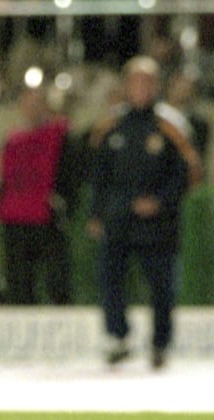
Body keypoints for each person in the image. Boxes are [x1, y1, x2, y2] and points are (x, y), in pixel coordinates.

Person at [87, 56, 200, 370]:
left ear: (156, 86)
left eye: (147, 82)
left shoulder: (171, 125)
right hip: (118, 219)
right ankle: (118, 337)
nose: (141, 88)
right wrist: (97, 213)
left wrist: (160, 201)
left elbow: (188, 174)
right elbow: (98, 174)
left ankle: (160, 343)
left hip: (158, 223)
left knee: (162, 285)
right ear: (126, 86)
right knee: (110, 279)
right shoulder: (110, 125)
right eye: (136, 82)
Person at [0, 85, 81, 305]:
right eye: (28, 104)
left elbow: (71, 174)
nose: (32, 109)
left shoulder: (59, 135)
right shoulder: (12, 139)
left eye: (37, 104)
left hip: (47, 217)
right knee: (20, 283)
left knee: (57, 281)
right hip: (15, 218)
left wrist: (64, 203)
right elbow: (5, 178)